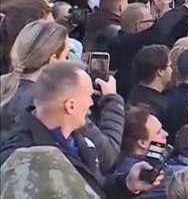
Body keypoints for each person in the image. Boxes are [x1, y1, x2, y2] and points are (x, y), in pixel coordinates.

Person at [0, 62, 162, 197]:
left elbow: (94, 188)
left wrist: (127, 183)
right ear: (71, 105)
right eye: (88, 96)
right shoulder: (19, 155)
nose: (91, 104)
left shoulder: (79, 139)